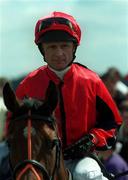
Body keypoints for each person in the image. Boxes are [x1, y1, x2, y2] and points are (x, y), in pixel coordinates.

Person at [6, 11, 122, 180]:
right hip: (39, 157)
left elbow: (113, 122)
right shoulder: (27, 85)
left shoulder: (92, 81)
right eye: (52, 47)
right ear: (42, 50)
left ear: (74, 47)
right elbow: (12, 126)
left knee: (87, 174)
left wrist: (93, 138)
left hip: (81, 158)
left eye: (64, 46)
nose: (59, 53)